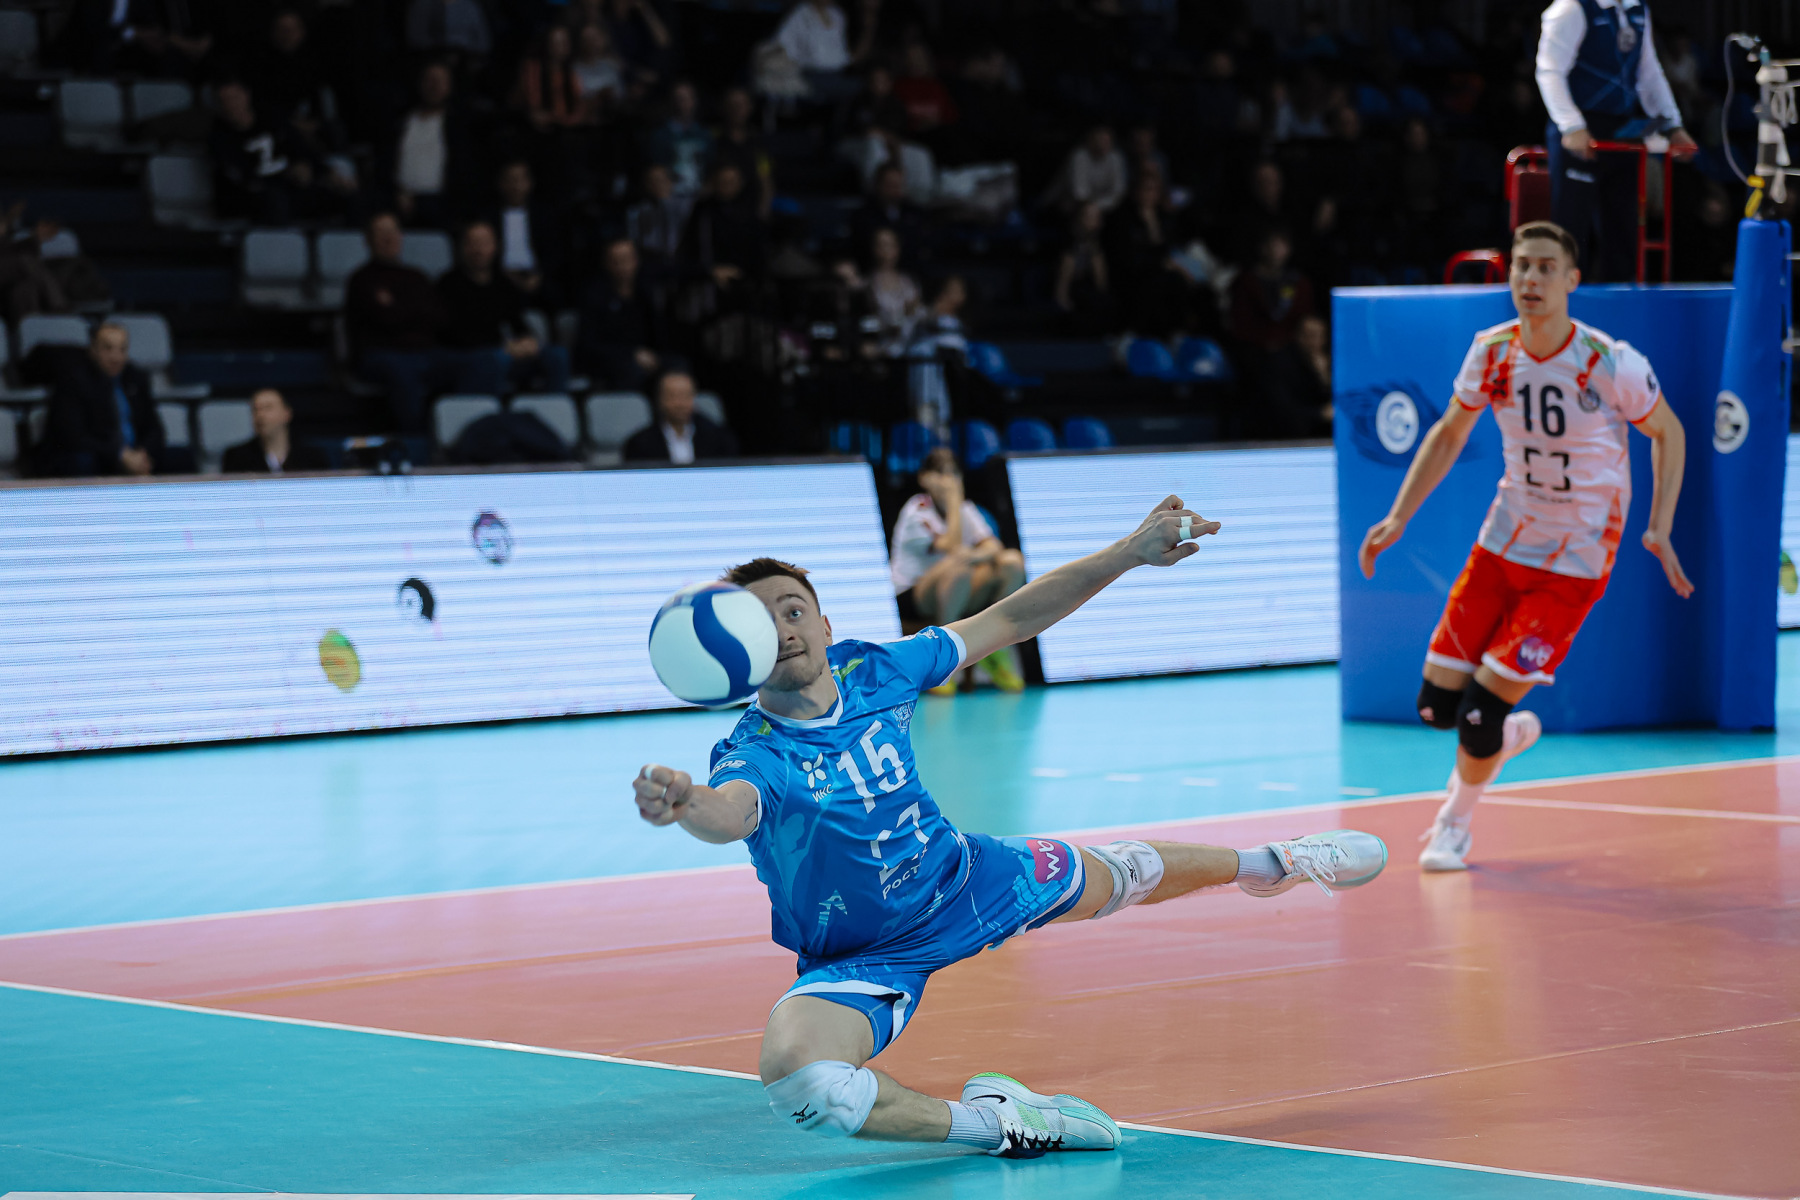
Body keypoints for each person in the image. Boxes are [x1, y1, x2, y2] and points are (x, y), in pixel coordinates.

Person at [630, 507, 1389, 1156]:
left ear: (825, 624)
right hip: (862, 953)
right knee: (807, 1088)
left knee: (1122, 873)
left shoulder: (879, 671)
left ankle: (1272, 862)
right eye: (761, 621)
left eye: (793, 609)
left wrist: (1128, 552)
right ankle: (1004, 1124)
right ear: (740, 653)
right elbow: (730, 812)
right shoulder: (756, 753)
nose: (784, 628)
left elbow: (1013, 617)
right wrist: (685, 801)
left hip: (963, 878)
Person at [1358, 221, 1692, 872]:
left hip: (1575, 560)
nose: (1530, 279)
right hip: (1504, 542)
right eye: (1521, 266)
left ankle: (1454, 824)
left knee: (1477, 716)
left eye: (1545, 267)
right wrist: (1399, 517)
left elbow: (1669, 431)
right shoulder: (1492, 351)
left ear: (1571, 280)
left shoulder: (1608, 361)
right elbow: (1449, 434)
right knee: (1436, 708)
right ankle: (1507, 737)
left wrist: (1659, 526)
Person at [1535, 0, 1696, 281]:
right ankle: (1569, 299)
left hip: (1623, 131)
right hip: (1580, 130)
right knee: (1572, 229)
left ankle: (1621, 296)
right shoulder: (1572, 7)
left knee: (1624, 227)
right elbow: (1549, 71)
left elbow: (1649, 73)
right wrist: (1572, 126)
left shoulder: (1638, 9)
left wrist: (1672, 125)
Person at [890, 447, 1025, 693]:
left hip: (957, 588)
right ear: (924, 478)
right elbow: (951, 547)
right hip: (912, 595)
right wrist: (954, 502)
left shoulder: (966, 508)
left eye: (954, 474)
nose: (949, 481)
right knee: (959, 567)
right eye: (941, 473)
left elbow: (993, 546)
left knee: (1012, 562)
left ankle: (996, 647)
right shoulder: (916, 509)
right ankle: (943, 659)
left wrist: (973, 555)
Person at [346, 212, 495, 433]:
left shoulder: (417, 276)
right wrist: (413, 313)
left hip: (426, 352)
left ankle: (464, 429)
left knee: (481, 361)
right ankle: (415, 439)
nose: (388, 238)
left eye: (393, 232)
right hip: (382, 353)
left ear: (401, 236)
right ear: (368, 240)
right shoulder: (361, 279)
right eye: (381, 233)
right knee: (403, 371)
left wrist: (397, 308)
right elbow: (385, 320)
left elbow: (439, 318)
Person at [38, 322, 194, 478]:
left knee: (182, 457)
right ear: (93, 350)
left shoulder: (135, 377)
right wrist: (119, 455)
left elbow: (154, 428)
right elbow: (73, 437)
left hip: (134, 454)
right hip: (99, 455)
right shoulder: (73, 380)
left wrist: (143, 454)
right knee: (81, 461)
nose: (116, 357)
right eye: (108, 348)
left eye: (122, 349)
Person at [437, 221, 570, 394]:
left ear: (495, 246)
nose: (479, 250)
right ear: (462, 247)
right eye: (472, 243)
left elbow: (517, 322)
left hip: (502, 354)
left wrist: (527, 341)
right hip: (467, 357)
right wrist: (504, 348)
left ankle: (553, 406)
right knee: (495, 359)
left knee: (557, 355)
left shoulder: (502, 285)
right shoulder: (447, 284)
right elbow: (453, 334)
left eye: (484, 243)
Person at [579, 238, 664, 388]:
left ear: (636, 260)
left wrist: (655, 355)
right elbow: (589, 345)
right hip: (611, 361)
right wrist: (632, 353)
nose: (623, 266)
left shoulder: (645, 293)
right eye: (616, 261)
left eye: (627, 259)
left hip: (647, 356)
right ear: (607, 263)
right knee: (631, 371)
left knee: (676, 365)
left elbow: (659, 336)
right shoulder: (595, 297)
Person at [622, 366, 737, 462]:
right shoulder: (639, 444)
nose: (680, 403)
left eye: (686, 396)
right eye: (672, 396)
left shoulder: (719, 439)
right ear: (659, 400)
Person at [220, 388, 330, 473]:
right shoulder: (236, 457)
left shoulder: (312, 457)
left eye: (268, 408)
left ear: (286, 413)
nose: (260, 415)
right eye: (256, 409)